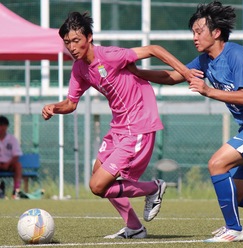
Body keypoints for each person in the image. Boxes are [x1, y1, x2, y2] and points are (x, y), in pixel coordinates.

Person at [128, 1, 243, 242]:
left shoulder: (236, 54)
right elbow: (175, 76)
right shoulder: (205, 61)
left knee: (217, 163)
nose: (194, 37)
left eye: (199, 31)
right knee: (236, 193)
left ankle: (234, 229)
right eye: (193, 32)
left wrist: (208, 91)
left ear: (216, 33)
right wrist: (137, 72)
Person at [41, 12, 193, 239]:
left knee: (98, 186)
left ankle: (154, 187)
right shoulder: (79, 69)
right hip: (119, 128)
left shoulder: (110, 55)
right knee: (98, 176)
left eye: (75, 41)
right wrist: (54, 107)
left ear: (89, 37)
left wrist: (187, 72)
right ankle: (134, 227)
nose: (71, 47)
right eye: (67, 43)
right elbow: (71, 104)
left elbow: (153, 49)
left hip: (138, 126)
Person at [0, 115, 23, 199]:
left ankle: (16, 191)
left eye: (3, 125)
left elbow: (16, 155)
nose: (1, 128)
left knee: (18, 166)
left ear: (6, 127)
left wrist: (7, 163)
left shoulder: (12, 139)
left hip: (9, 164)